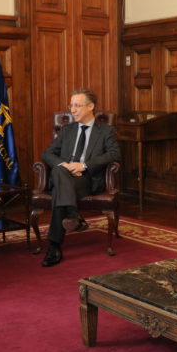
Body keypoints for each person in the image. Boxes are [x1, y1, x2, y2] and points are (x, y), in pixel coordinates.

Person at [40, 89, 121, 267]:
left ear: (90, 106)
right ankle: (72, 215)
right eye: (71, 105)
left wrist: (83, 166)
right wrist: (67, 166)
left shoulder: (106, 131)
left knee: (60, 187)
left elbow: (115, 154)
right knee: (60, 172)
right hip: (64, 175)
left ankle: (55, 246)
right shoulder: (66, 130)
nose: (72, 110)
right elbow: (47, 153)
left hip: (86, 179)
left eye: (77, 105)